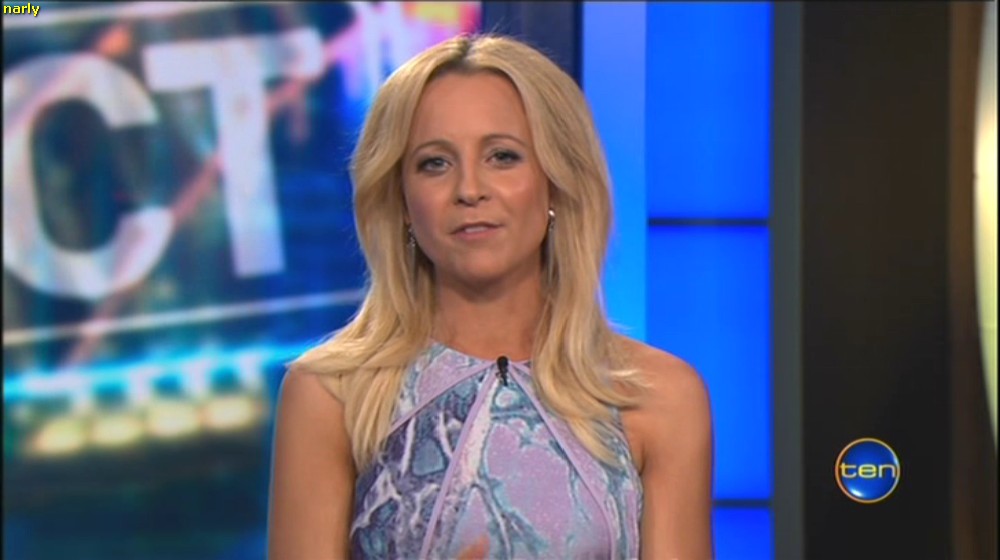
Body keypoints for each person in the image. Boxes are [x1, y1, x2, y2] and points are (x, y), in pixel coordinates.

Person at [267, 33, 713, 560]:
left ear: (555, 181)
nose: (469, 190)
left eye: (503, 156)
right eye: (434, 163)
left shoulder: (658, 396)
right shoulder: (332, 395)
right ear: (402, 201)